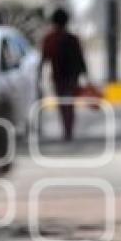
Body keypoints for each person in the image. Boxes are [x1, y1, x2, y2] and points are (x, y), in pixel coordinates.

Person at [40, 7, 89, 141]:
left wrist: (38, 76)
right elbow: (81, 59)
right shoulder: (72, 39)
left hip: (58, 78)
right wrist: (86, 75)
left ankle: (67, 129)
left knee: (63, 104)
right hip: (71, 77)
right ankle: (68, 129)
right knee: (69, 104)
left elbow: (43, 59)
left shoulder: (49, 39)